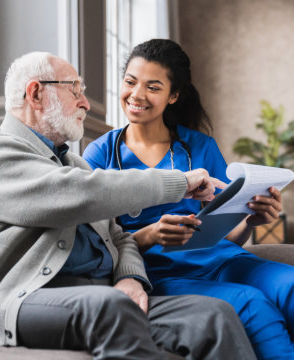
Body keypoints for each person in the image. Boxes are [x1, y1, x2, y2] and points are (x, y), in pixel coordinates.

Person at [0, 51, 257, 360]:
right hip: (20, 300)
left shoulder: (73, 162)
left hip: (99, 293)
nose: (85, 104)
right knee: (110, 307)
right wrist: (180, 183)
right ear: (35, 93)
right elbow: (79, 194)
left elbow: (117, 236)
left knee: (214, 315)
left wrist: (129, 277)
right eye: (74, 89)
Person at [83, 39, 294, 360]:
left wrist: (251, 219)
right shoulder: (101, 154)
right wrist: (149, 235)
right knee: (252, 304)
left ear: (173, 95)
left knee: (290, 284)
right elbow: (97, 244)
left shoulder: (199, 146)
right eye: (130, 81)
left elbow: (224, 235)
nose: (137, 94)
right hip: (164, 275)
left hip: (223, 261)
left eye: (152, 87)